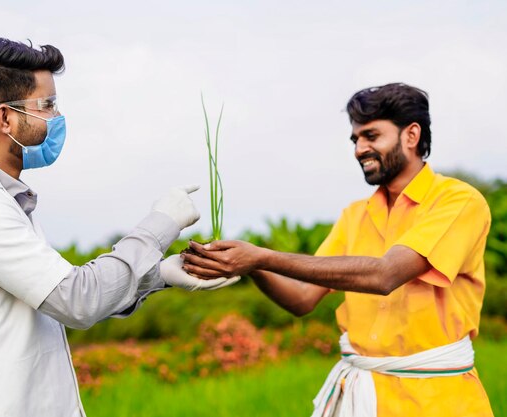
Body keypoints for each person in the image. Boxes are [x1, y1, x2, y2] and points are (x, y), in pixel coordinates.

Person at [0, 38, 238, 417]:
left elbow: (64, 296)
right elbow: (79, 299)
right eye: (48, 105)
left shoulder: (1, 198)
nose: (57, 117)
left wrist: (158, 276)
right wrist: (162, 224)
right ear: (5, 118)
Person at [182, 83, 494, 416]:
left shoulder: (458, 202)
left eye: (371, 136)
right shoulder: (354, 215)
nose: (360, 149)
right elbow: (302, 298)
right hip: (360, 394)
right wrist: (252, 266)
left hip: (437, 400)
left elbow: (386, 274)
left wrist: (263, 256)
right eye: (355, 139)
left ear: (411, 135)